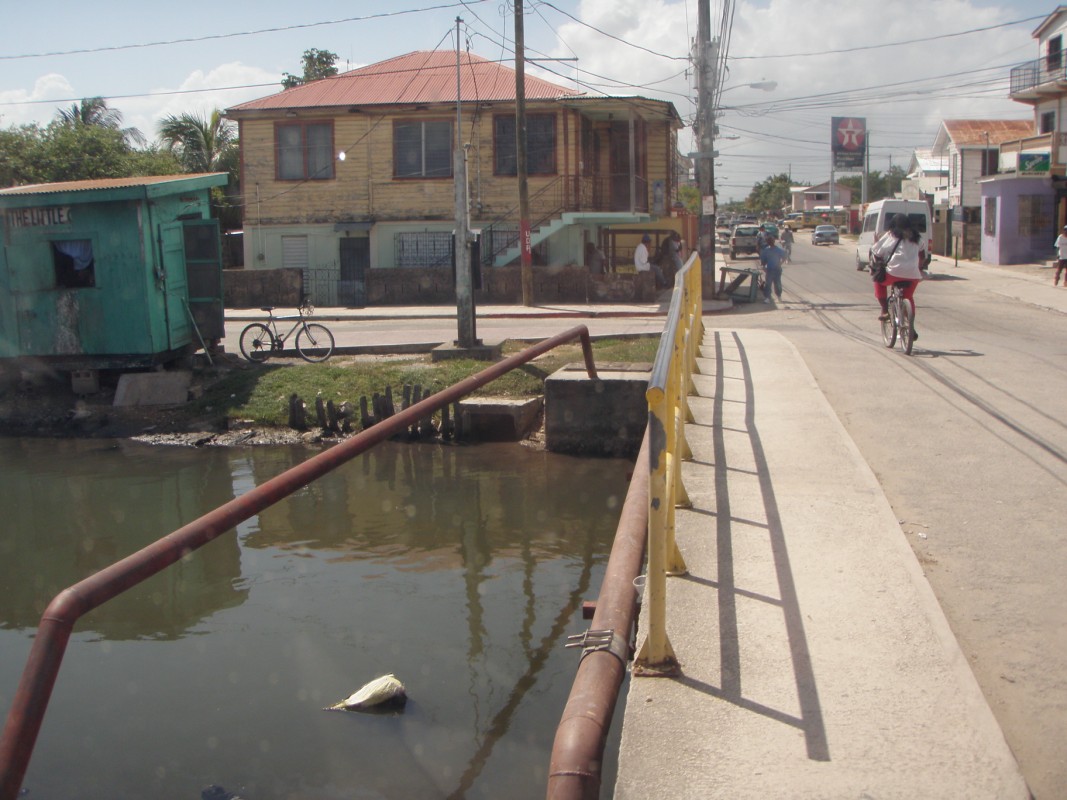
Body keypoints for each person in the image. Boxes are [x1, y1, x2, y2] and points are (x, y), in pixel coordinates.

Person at [870, 213, 926, 336]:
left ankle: (885, 310)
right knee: (908, 297)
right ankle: (910, 325)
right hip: (913, 275)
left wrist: (876, 243)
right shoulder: (917, 237)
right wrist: (918, 267)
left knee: (878, 281)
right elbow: (922, 256)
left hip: (893, 273)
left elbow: (877, 252)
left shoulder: (891, 235)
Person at [758, 234, 787, 304]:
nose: (770, 242)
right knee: (768, 284)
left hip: (777, 269)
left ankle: (779, 296)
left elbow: (784, 256)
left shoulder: (778, 250)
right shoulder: (766, 250)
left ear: (773, 241)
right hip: (769, 270)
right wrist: (763, 266)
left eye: (771, 241)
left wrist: (780, 263)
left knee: (777, 283)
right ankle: (767, 298)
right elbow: (763, 260)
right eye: (769, 241)